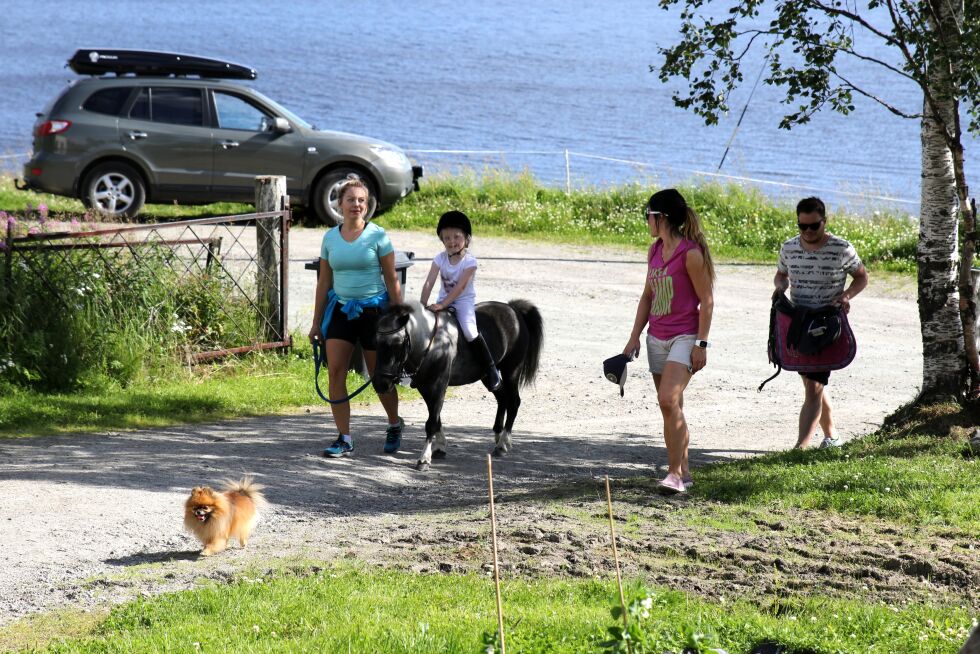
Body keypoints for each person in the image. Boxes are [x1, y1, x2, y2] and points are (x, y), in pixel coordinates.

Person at [623, 189, 715, 494]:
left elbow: (707, 301)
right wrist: (634, 336)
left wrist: (701, 344)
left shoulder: (690, 254)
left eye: (647, 215)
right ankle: (684, 472)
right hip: (656, 338)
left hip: (684, 338)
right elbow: (648, 296)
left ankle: (674, 474)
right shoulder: (654, 251)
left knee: (667, 400)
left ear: (660, 217)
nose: (646, 221)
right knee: (671, 406)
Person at [308, 176, 405, 457]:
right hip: (340, 310)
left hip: (374, 312)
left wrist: (398, 317)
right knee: (336, 372)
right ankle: (344, 438)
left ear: (368, 205)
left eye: (361, 200)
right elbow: (324, 283)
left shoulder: (378, 236)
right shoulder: (329, 238)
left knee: (379, 377)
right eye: (351, 200)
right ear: (340, 203)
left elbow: (391, 279)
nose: (356, 205)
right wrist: (316, 322)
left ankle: (394, 424)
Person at [774, 196, 868, 449]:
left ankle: (800, 448)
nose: (807, 231)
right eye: (802, 226)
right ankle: (833, 437)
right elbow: (781, 275)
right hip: (798, 322)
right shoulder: (789, 248)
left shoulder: (842, 248)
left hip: (827, 325)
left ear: (824, 222)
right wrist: (780, 288)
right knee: (812, 383)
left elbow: (861, 277)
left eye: (813, 226)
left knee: (814, 386)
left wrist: (846, 296)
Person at [419, 210, 502, 391]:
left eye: (457, 237)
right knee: (427, 328)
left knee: (470, 332)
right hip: (443, 299)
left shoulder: (470, 262)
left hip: (462, 302)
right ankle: (419, 369)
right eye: (447, 238)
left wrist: (442, 305)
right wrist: (421, 305)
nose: (452, 241)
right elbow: (429, 282)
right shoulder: (440, 258)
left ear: (466, 238)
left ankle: (491, 369)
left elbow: (460, 288)